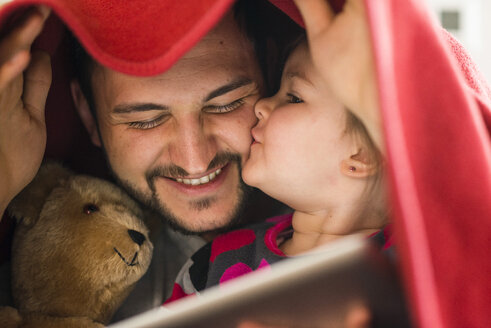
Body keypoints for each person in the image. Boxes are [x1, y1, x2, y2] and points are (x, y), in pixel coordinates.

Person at [0, 1, 296, 321]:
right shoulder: (42, 284)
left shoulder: (350, 193)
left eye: (226, 104)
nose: (195, 159)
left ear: (270, 68)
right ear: (87, 114)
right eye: (146, 120)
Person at [165, 31, 390, 302]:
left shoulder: (417, 274)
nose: (261, 105)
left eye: (294, 97)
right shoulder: (213, 264)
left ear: (362, 156)